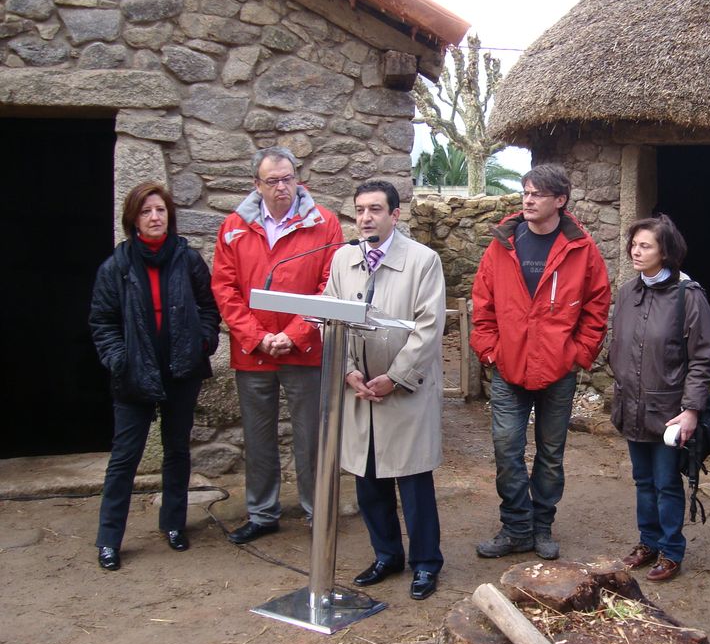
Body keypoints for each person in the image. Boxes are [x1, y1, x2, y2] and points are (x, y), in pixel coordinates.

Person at [471, 163, 611, 561]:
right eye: (525, 192)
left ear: (560, 201)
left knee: (551, 452)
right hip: (509, 367)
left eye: (537, 194)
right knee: (506, 447)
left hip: (557, 369)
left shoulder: (581, 247)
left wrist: (578, 354)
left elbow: (597, 304)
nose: (528, 200)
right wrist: (489, 350)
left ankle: (542, 525)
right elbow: (482, 301)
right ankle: (516, 527)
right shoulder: (504, 243)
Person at [212, 147, 342, 543]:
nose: (282, 187)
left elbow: (330, 285)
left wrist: (295, 334)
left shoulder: (325, 223)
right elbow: (225, 288)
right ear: (257, 185)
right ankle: (262, 512)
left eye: (288, 178)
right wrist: (258, 337)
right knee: (258, 434)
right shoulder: (234, 227)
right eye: (273, 181)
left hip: (304, 349)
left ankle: (316, 511)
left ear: (297, 179)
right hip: (253, 351)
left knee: (310, 436)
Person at [323, 180, 446, 600]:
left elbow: (429, 328)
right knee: (368, 479)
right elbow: (329, 317)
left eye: (375, 209)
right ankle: (386, 555)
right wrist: (348, 370)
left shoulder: (423, 261)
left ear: (395, 215)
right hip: (359, 391)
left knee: (412, 481)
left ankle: (426, 562)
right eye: (359, 210)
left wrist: (393, 378)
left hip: (403, 391)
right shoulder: (342, 260)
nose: (365, 218)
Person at [89, 182, 221, 571]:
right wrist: (119, 359)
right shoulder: (116, 266)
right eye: (146, 211)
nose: (154, 217)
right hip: (134, 375)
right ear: (133, 218)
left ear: (169, 216)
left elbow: (207, 306)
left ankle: (174, 524)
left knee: (177, 451)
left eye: (161, 210)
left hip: (181, 369)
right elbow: (103, 321)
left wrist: (204, 342)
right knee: (125, 458)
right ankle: (109, 539)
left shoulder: (187, 259)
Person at [608, 215, 710, 582]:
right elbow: (620, 346)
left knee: (666, 483)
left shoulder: (688, 297)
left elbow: (704, 358)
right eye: (634, 245)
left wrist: (690, 410)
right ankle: (647, 543)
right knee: (642, 481)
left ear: (666, 252)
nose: (636, 252)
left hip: (669, 410)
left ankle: (671, 550)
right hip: (632, 405)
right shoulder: (628, 293)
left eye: (646, 246)